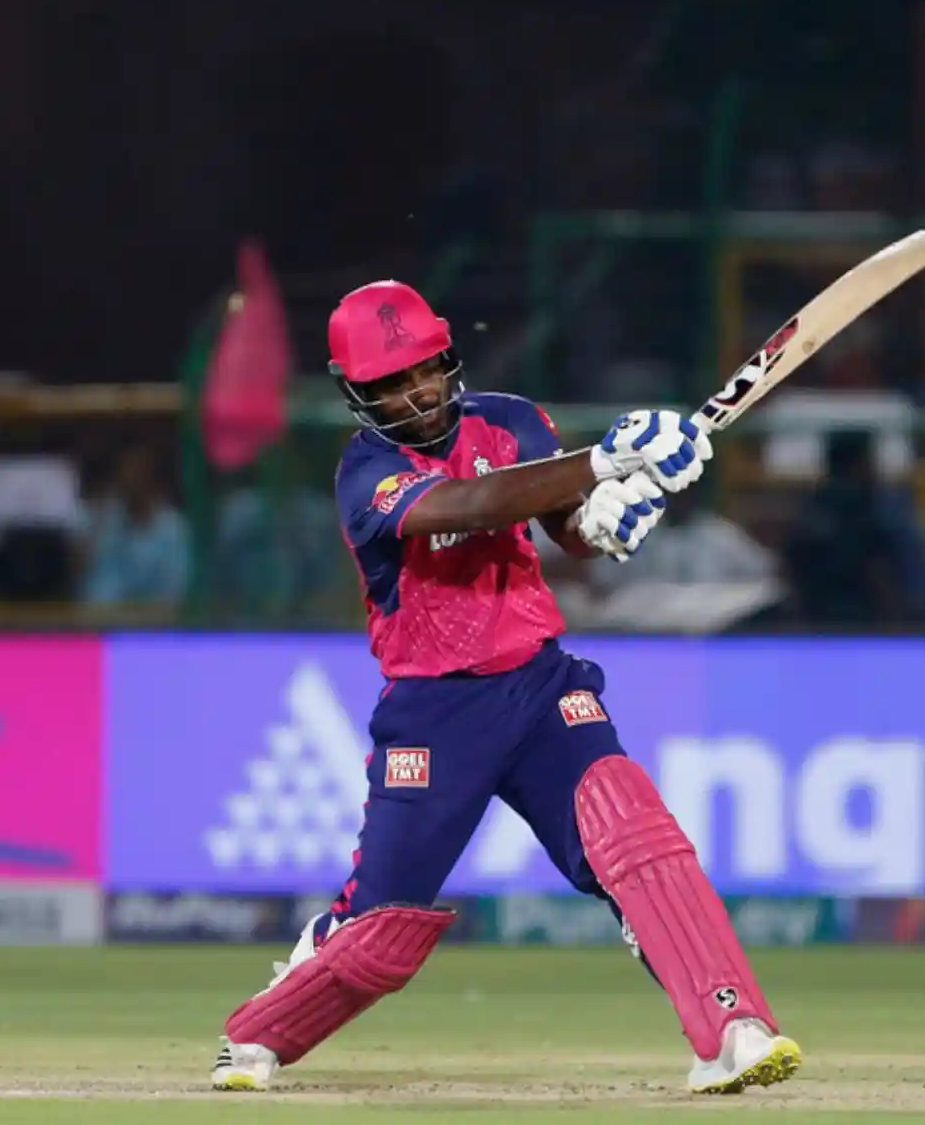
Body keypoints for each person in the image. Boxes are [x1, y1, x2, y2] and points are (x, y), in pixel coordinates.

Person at [209, 281, 800, 1095]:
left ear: (447, 359)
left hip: (539, 684)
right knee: (379, 929)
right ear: (358, 395)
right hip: (434, 711)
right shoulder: (366, 472)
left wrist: (608, 516)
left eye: (422, 372)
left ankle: (733, 1027)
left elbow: (568, 531)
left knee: (637, 839)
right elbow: (475, 502)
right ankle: (257, 1034)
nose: (413, 395)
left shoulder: (512, 420)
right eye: (387, 385)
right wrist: (601, 461)